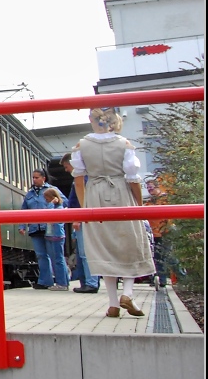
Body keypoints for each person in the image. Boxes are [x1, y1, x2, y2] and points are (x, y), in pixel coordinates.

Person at [70, 107, 154, 318]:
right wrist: (139, 204)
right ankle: (127, 293)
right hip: (121, 194)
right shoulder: (124, 144)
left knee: (103, 247)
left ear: (92, 120)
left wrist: (84, 206)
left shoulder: (81, 146)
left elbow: (78, 180)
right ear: (115, 121)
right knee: (129, 244)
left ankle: (113, 303)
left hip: (95, 195)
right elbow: (133, 178)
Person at [19, 169, 69, 290]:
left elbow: (65, 202)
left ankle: (62, 282)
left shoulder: (52, 190)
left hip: (50, 228)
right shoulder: (30, 194)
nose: (34, 180)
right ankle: (45, 281)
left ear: (43, 178)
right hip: (35, 228)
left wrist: (55, 205)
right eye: (33, 178)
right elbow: (23, 210)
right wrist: (22, 225)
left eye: (37, 177)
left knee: (55, 256)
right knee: (41, 255)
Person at [62, 152, 100, 294]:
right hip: (80, 218)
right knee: (82, 253)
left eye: (67, 166)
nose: (66, 170)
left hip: (82, 219)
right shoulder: (83, 178)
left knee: (85, 253)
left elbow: (81, 200)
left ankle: (91, 283)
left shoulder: (81, 179)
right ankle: (87, 282)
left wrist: (78, 218)